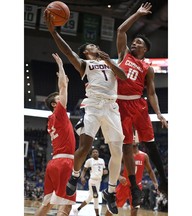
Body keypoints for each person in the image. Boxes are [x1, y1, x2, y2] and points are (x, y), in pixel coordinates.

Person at [44, 10, 127, 215]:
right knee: (85, 146)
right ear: (85, 52)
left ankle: (110, 192)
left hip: (112, 107)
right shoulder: (85, 64)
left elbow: (123, 77)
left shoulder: (110, 62)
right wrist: (54, 33)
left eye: (96, 46)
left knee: (118, 152)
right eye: (91, 46)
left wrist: (109, 61)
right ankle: (74, 175)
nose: (95, 47)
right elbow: (67, 52)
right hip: (93, 105)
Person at [116, 2, 168, 198]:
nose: (134, 43)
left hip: (138, 104)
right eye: (134, 41)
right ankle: (133, 186)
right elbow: (121, 30)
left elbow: (152, 93)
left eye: (139, 42)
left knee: (150, 142)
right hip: (120, 104)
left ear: (145, 49)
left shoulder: (148, 68)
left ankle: (164, 180)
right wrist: (138, 14)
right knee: (127, 147)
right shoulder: (123, 55)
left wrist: (159, 114)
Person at [34, 53, 76, 216]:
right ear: (54, 104)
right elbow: (63, 87)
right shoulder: (58, 113)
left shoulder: (52, 119)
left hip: (54, 164)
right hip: (65, 163)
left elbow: (65, 86)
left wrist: (64, 81)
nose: (63, 100)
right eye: (60, 99)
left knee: (46, 206)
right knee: (65, 207)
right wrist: (61, 65)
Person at [105, 133, 159, 216]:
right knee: (112, 207)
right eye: (132, 137)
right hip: (124, 185)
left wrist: (155, 183)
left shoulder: (144, 156)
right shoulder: (124, 155)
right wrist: (119, 177)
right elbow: (114, 167)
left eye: (135, 138)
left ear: (139, 141)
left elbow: (150, 171)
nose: (133, 139)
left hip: (137, 186)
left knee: (134, 209)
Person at [73, 148, 108, 216]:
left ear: (98, 153)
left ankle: (77, 209)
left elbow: (104, 169)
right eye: (93, 152)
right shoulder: (89, 161)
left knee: (90, 198)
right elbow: (84, 170)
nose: (95, 153)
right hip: (92, 181)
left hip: (99, 181)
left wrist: (105, 171)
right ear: (91, 154)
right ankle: (97, 214)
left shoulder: (102, 160)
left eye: (96, 152)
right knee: (96, 197)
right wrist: (82, 177)